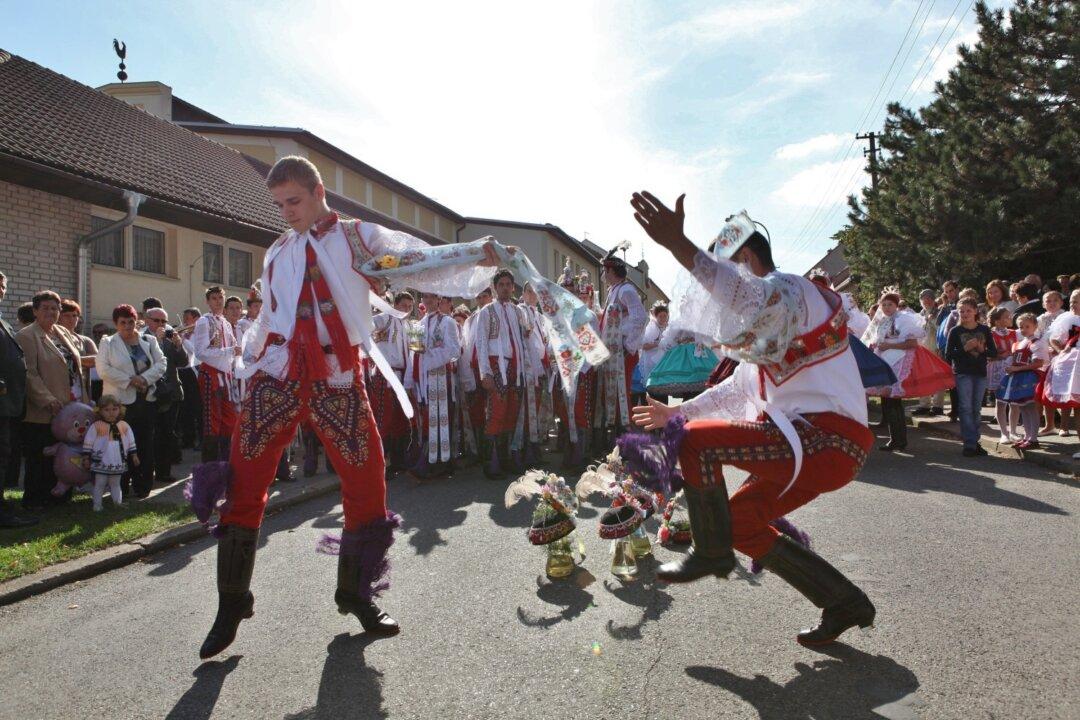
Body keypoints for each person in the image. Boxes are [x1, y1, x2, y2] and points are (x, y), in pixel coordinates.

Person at [196, 155, 498, 660]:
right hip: (278, 374)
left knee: (368, 481)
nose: (287, 212)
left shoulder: (358, 238)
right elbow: (269, 313)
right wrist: (247, 359)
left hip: (337, 376)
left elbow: (418, 261)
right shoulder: (278, 250)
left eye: (294, 201)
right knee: (245, 478)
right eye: (279, 204)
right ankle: (232, 602)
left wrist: (474, 255)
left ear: (318, 192)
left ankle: (356, 595)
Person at [630, 192, 878, 646]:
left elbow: (744, 293)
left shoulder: (793, 290)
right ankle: (843, 602)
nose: (718, 299)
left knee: (696, 442)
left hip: (826, 441)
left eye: (728, 266)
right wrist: (676, 411)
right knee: (741, 521)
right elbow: (735, 387)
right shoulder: (775, 333)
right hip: (813, 449)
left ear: (745, 257)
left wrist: (678, 247)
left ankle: (709, 550)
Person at [16, 290, 88, 511]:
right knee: (41, 456)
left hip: (70, 407)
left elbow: (75, 367)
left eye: (55, 308)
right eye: (45, 308)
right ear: (35, 310)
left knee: (63, 455)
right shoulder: (27, 335)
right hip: (44, 409)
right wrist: (47, 399)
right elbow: (28, 373)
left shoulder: (62, 332)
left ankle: (59, 497)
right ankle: (35, 500)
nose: (51, 312)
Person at [95, 304, 166, 498]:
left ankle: (143, 486)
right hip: (120, 402)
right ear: (116, 324)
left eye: (131, 321)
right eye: (123, 322)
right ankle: (121, 487)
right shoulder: (108, 342)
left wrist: (144, 379)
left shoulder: (149, 340)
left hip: (147, 398)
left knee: (145, 443)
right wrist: (130, 380)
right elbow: (103, 370)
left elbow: (161, 363)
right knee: (121, 444)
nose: (127, 326)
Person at [474, 270, 527, 479]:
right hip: (496, 366)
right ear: (495, 288)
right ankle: (491, 463)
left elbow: (522, 340)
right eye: (501, 284)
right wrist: (485, 372)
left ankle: (505, 460)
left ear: (513, 287)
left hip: (515, 368)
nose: (505, 287)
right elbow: (480, 343)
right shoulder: (486, 312)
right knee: (496, 412)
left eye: (508, 284)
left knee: (511, 413)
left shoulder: (517, 311)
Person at [596, 245, 647, 444]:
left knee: (622, 392)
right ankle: (616, 439)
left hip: (623, 352)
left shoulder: (626, 290)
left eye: (604, 270)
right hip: (613, 351)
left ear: (610, 270)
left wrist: (627, 345)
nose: (602, 274)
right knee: (613, 393)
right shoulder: (613, 291)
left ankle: (626, 440)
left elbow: (640, 317)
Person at [862, 289, 925, 452]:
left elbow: (912, 344)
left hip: (898, 361)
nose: (886, 307)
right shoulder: (882, 321)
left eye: (890, 304)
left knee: (893, 401)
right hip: (885, 360)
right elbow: (875, 340)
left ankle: (899, 440)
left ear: (896, 305)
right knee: (887, 401)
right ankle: (895, 439)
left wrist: (890, 345)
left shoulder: (903, 319)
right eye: (884, 304)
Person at [407, 292, 460, 478]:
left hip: (441, 377)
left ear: (439, 300)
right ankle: (429, 460)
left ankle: (442, 462)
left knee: (441, 418)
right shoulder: (417, 325)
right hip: (423, 380)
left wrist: (430, 357)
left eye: (432, 297)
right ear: (421, 301)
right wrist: (409, 380)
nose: (428, 300)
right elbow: (413, 356)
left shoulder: (447, 322)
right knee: (426, 418)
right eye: (425, 297)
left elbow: (455, 350)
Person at [0, 271, 36, 528]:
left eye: (2, 285)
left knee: (4, 456)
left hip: (9, 403)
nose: (1, 289)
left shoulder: (4, 322)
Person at [945, 297, 998, 457]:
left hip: (980, 373)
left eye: (968, 310)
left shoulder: (984, 330)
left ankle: (975, 442)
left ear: (975, 311)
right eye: (962, 311)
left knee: (976, 409)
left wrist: (982, 350)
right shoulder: (955, 331)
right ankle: (969, 444)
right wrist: (965, 349)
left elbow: (993, 353)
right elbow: (948, 355)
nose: (965, 314)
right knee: (965, 408)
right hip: (963, 373)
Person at [192, 286, 239, 463]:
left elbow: (234, 350)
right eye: (214, 298)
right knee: (212, 423)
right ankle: (210, 469)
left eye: (220, 298)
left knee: (230, 421)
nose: (218, 301)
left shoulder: (225, 323)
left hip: (225, 375)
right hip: (211, 374)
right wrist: (229, 351)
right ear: (208, 301)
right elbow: (201, 352)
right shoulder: (204, 321)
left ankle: (226, 462)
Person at [369, 291, 414, 472]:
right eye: (403, 306)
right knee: (383, 419)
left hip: (402, 375)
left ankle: (398, 460)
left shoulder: (409, 325)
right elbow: (367, 326)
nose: (407, 310)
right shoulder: (385, 318)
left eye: (410, 307)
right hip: (384, 374)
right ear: (395, 305)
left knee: (401, 420)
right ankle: (382, 464)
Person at [144, 307, 188, 484]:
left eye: (164, 321)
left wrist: (178, 345)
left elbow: (183, 362)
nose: (162, 325)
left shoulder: (170, 338)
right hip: (151, 393)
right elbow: (145, 362)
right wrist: (157, 340)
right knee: (150, 434)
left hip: (171, 393)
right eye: (157, 321)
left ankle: (164, 472)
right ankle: (148, 471)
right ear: (147, 321)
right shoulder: (142, 338)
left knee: (167, 434)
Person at [81, 394, 137, 511]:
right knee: (100, 483)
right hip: (102, 460)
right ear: (100, 411)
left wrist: (134, 455)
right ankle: (97, 505)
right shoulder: (96, 426)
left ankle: (118, 503)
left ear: (120, 409)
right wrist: (86, 457)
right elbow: (88, 442)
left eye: (114, 409)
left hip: (117, 460)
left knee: (116, 483)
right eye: (106, 410)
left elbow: (131, 440)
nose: (111, 412)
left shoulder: (123, 425)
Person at [1002, 313, 1048, 449]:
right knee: (1023, 408)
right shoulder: (1020, 343)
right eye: (1021, 327)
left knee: (1031, 408)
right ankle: (1028, 437)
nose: (1024, 329)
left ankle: (1033, 438)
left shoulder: (1037, 342)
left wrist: (1017, 369)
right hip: (1019, 377)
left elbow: (1038, 363)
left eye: (1027, 326)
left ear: (1035, 326)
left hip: (1030, 378)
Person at [985, 307, 1017, 442]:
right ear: (997, 321)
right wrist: (1003, 355)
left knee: (1015, 401)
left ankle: (1014, 431)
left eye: (1010, 316)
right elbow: (988, 354)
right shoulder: (990, 334)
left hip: (1013, 368)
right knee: (1001, 401)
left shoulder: (1014, 333)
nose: (1010, 319)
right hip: (998, 369)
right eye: (1006, 317)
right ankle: (1004, 432)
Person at [913, 289, 945, 416]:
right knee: (923, 377)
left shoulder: (940, 312)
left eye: (928, 298)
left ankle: (938, 405)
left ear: (933, 299)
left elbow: (942, 330)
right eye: (923, 299)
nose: (926, 301)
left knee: (938, 376)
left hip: (935, 348)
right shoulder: (919, 314)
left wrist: (931, 321)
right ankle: (924, 404)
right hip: (922, 349)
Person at [177, 307, 203, 449]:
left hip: (195, 372)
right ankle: (188, 439)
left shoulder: (200, 334)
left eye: (187, 318)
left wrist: (182, 340)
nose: (185, 321)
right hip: (182, 372)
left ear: (196, 319)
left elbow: (196, 352)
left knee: (198, 407)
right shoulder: (185, 334)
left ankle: (201, 439)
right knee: (185, 408)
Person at [639, 303, 669, 403]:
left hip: (664, 361)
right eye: (660, 316)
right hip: (651, 361)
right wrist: (658, 343)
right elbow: (644, 346)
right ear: (656, 316)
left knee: (664, 386)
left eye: (665, 316)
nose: (663, 318)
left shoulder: (668, 328)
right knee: (653, 386)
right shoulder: (652, 328)